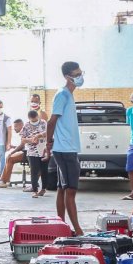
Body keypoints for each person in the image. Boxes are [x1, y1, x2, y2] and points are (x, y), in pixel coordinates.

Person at [44, 61, 84, 235]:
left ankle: (62, 226)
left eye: (80, 73)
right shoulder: (62, 95)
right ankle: (78, 230)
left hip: (66, 148)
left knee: (62, 188)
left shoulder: (68, 94)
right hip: (65, 150)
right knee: (71, 191)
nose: (80, 77)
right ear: (68, 77)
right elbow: (51, 121)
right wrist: (48, 143)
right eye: (76, 74)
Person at [20, 110, 50, 197]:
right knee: (34, 171)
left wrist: (38, 135)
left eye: (36, 119)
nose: (34, 121)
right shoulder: (26, 125)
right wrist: (31, 140)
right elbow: (22, 139)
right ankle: (35, 190)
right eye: (32, 120)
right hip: (32, 151)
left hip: (44, 150)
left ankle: (43, 189)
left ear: (38, 116)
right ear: (29, 118)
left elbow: (49, 132)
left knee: (44, 170)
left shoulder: (43, 123)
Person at [0, 118, 26, 187]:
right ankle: (5, 180)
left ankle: (4, 181)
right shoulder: (24, 131)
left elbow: (22, 146)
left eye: (16, 126)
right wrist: (14, 147)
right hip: (26, 152)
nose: (14, 129)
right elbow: (23, 146)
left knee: (10, 158)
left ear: (21, 125)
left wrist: (12, 152)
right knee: (9, 158)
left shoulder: (24, 131)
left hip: (28, 154)